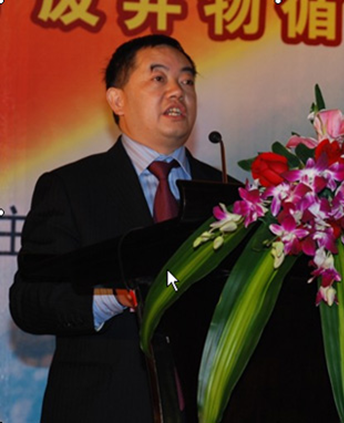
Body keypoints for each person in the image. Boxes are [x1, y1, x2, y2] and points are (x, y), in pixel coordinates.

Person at [9, 34, 226, 423]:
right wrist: (111, 297)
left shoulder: (230, 195)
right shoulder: (71, 187)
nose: (178, 91)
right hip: (102, 408)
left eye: (187, 80)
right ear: (117, 100)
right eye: (158, 78)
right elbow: (30, 301)